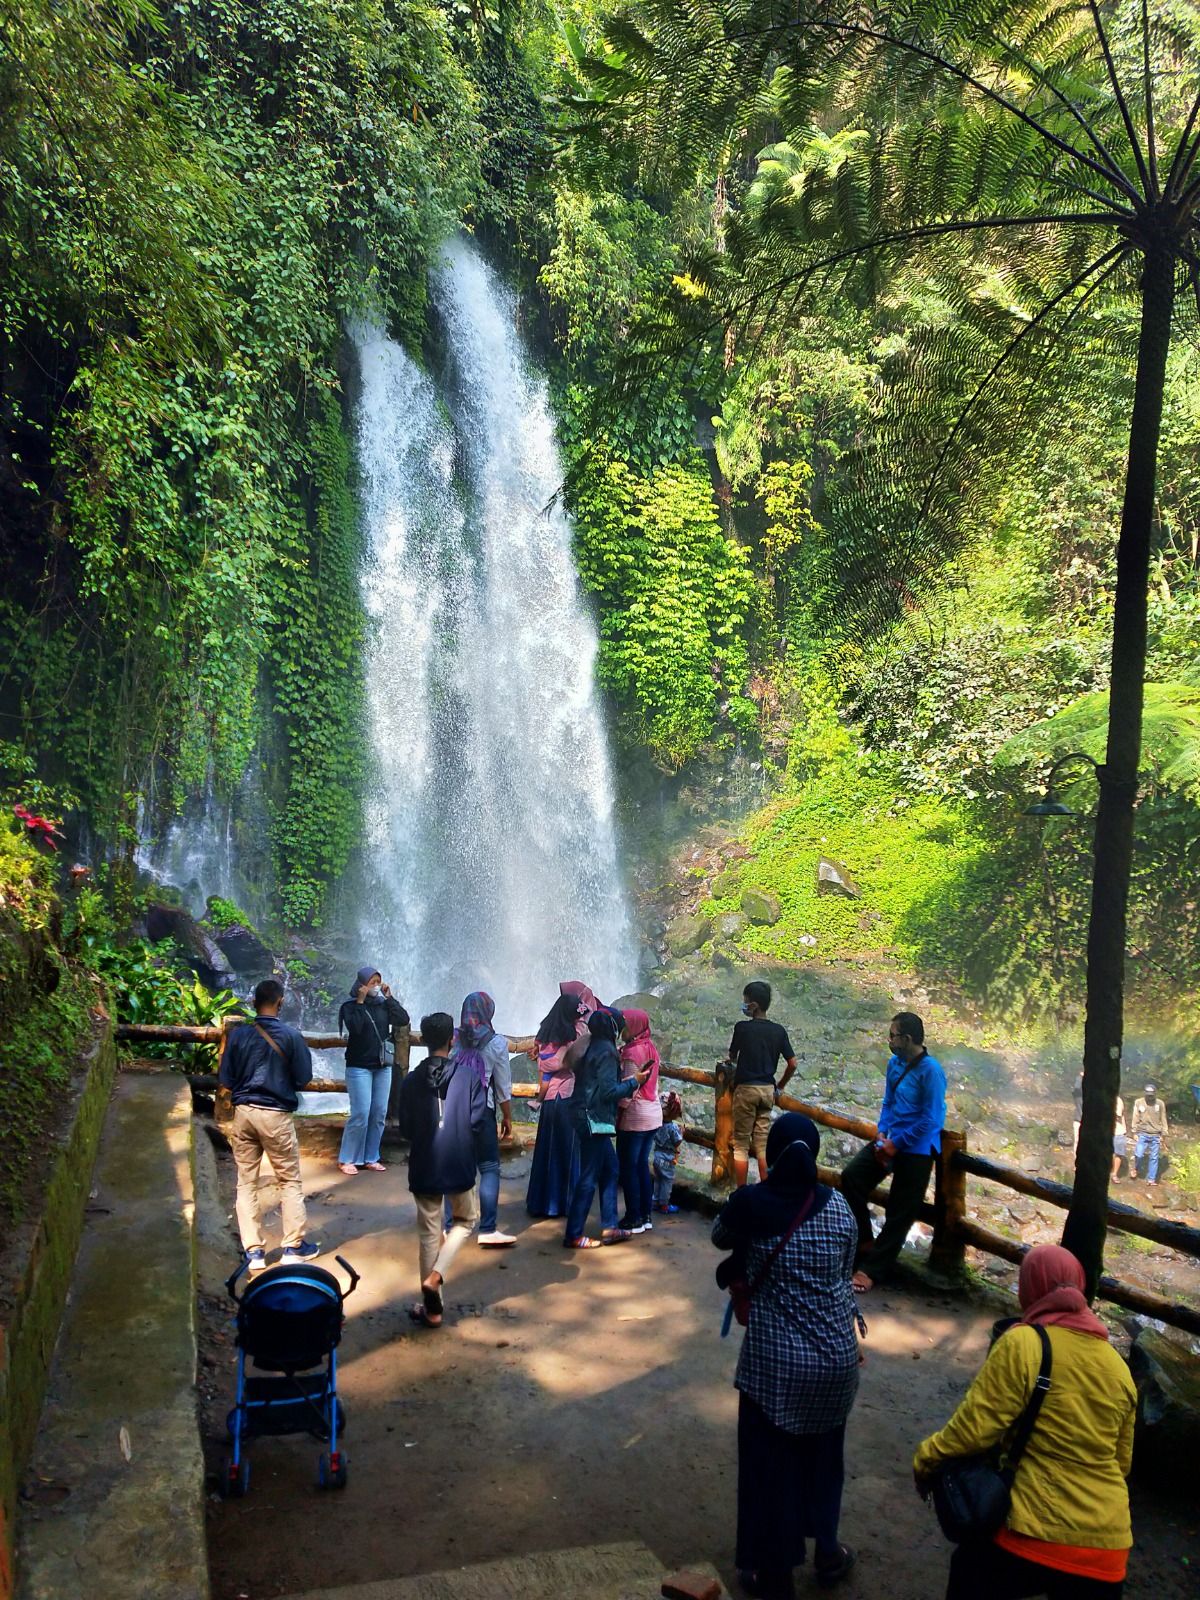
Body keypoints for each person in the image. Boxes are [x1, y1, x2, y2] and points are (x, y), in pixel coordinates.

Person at [914, 1243, 1137, 1599]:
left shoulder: (1024, 1343)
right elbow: (1121, 1464)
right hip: (1107, 1551)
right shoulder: (1119, 1368)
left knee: (967, 1575)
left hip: (1032, 1532)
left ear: (1030, 1287)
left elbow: (975, 1430)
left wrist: (926, 1459)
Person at [712, 1113, 861, 1596]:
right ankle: (828, 1552)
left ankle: (774, 1573)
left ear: (771, 1156)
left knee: (768, 1467)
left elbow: (719, 1235)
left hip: (778, 1368)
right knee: (823, 1460)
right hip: (838, 1362)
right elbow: (844, 1270)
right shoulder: (840, 1207)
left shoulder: (753, 1203)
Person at [839, 1011, 946, 1293]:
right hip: (890, 1139)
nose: (889, 1040)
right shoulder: (894, 1064)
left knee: (901, 1210)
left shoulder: (931, 1071)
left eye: (893, 1035)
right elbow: (888, 1102)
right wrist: (882, 1133)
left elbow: (932, 1119)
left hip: (918, 1148)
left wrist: (897, 1144)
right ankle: (864, 1241)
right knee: (852, 1178)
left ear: (907, 1038)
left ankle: (871, 1269)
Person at [219, 977, 321, 1270]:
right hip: (275, 1115)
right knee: (288, 1180)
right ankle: (292, 1246)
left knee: (246, 1181)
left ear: (254, 1003)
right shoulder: (291, 1036)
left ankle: (254, 1252)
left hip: (244, 1113)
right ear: (281, 1002)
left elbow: (226, 1079)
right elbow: (303, 1078)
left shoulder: (238, 1036)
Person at [401, 1012, 487, 1328]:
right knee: (466, 1220)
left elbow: (407, 1128)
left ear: (423, 1040)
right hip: (459, 1160)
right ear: (452, 1039)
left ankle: (433, 1310)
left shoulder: (410, 1081)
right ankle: (437, 1275)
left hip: (424, 1163)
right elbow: (477, 1120)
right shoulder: (468, 1078)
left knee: (428, 1233)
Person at [563, 1007, 650, 1248]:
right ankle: (573, 1234)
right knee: (589, 1177)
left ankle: (610, 1226)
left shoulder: (591, 1046)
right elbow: (609, 1093)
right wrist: (635, 1081)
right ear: (612, 1028)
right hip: (594, 1119)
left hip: (585, 1114)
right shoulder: (608, 1052)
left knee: (611, 1169)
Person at [525, 983, 594, 1217]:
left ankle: (542, 1203)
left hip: (549, 1100)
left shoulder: (545, 1036)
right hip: (568, 1098)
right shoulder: (575, 1035)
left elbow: (545, 1067)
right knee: (568, 1151)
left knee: (547, 1152)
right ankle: (565, 1203)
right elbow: (582, 1052)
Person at [455, 991, 517, 1246]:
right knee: (489, 1167)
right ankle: (488, 1228)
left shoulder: (455, 1038)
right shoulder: (496, 1043)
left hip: (454, 1109)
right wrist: (508, 1118)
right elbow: (502, 1086)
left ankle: (451, 1225)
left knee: (457, 1166)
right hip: (482, 1110)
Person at [336, 966, 410, 1176]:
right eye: (371, 982)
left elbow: (403, 1019)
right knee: (360, 1112)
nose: (375, 986)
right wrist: (360, 1001)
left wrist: (390, 997)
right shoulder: (350, 1007)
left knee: (378, 1113)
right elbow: (356, 1028)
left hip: (382, 1067)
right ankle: (347, 1158)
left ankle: (371, 1156)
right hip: (359, 1066)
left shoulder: (384, 1006)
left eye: (378, 981)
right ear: (361, 985)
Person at [724, 981, 799, 1187]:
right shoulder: (779, 1031)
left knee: (740, 1145)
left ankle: (742, 1193)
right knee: (761, 1144)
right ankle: (766, 1189)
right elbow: (792, 1063)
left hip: (746, 1090)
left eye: (745, 1002)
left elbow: (732, 1056)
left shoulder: (742, 1028)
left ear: (754, 1005)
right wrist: (780, 1086)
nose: (744, 1005)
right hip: (767, 1091)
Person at [616, 1007, 663, 1234]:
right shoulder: (651, 1047)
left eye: (624, 1025)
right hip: (653, 1114)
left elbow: (628, 1090)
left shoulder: (631, 1054)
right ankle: (646, 1216)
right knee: (642, 1165)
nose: (620, 1029)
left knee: (628, 1167)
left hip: (635, 1116)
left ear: (633, 1027)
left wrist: (616, 1115)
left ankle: (633, 1217)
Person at [1130, 1084, 1168, 1184]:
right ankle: (1136, 1168)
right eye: (1148, 1095)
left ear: (1155, 1094)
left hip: (1156, 1134)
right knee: (1139, 1154)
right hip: (1142, 1133)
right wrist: (1134, 1132)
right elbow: (1135, 1117)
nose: (1149, 1097)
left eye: (1151, 1095)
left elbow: (1163, 1118)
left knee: (1154, 1158)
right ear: (1145, 1094)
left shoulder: (1160, 1103)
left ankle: (1151, 1179)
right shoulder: (1139, 1102)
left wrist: (1164, 1134)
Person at [653, 1110, 683, 1214]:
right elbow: (677, 1141)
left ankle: (655, 1202)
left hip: (657, 1155)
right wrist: (682, 1133)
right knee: (667, 1181)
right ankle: (664, 1205)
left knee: (658, 1179)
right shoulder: (672, 1127)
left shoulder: (657, 1123)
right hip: (667, 1157)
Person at [1111, 1094, 1127, 1183]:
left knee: (1118, 1153)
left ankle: (1114, 1174)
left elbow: (1118, 1115)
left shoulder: (1118, 1100)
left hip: (1118, 1131)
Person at [1071, 1070, 1084, 1155]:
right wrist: (1080, 1076)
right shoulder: (1078, 1094)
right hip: (1079, 1121)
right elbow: (1076, 1087)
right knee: (1078, 1142)